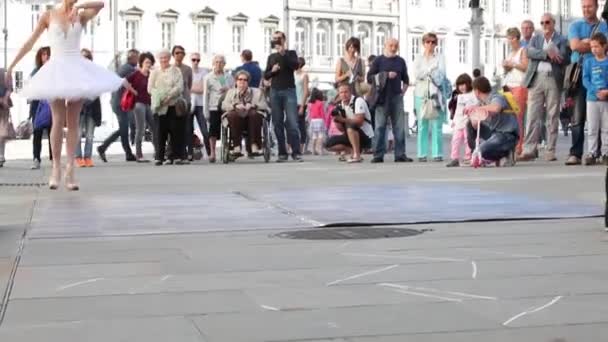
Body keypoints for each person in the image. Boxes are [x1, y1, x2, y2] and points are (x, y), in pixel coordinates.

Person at [8, 0, 131, 190]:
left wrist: (80, 6)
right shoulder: (49, 15)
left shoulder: (81, 14)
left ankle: (71, 168)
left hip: (76, 68)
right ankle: (56, 167)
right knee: (57, 119)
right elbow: (30, 41)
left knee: (73, 121)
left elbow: (101, 4)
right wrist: (12, 66)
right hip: (57, 68)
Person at [518, 15, 568, 162]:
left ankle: (550, 150)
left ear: (553, 23)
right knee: (533, 115)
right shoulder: (536, 38)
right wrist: (547, 54)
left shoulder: (562, 39)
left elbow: (563, 57)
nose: (544, 25)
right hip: (536, 78)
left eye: (547, 22)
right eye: (542, 22)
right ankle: (529, 150)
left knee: (552, 115)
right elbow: (529, 52)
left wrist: (548, 55)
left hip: (553, 77)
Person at [566, 0, 608, 165]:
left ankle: (599, 152)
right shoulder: (574, 25)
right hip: (580, 73)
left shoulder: (604, 26)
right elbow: (575, 46)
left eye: (589, 6)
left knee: (601, 118)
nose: (586, 9)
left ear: (597, 7)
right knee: (578, 116)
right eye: (583, 6)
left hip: (602, 74)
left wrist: (586, 43)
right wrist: (592, 45)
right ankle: (575, 153)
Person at [366, 38, 412, 163]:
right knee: (380, 127)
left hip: (396, 97)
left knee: (399, 127)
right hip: (382, 97)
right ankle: (378, 155)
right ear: (385, 45)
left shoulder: (401, 61)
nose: (393, 48)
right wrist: (385, 74)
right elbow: (369, 78)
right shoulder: (378, 61)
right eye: (391, 45)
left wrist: (403, 92)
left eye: (396, 45)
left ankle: (400, 154)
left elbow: (406, 79)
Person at [264, 30, 302, 162]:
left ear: (284, 40)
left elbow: (295, 66)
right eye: (274, 39)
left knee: (292, 122)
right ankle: (282, 152)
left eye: (278, 39)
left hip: (289, 90)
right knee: (277, 123)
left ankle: (296, 152)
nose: (276, 41)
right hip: (275, 91)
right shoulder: (271, 57)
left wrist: (283, 53)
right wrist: (272, 71)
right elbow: (266, 75)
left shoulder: (290, 53)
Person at [464, 77, 519, 166]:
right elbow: (474, 124)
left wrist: (476, 109)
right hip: (494, 133)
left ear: (477, 91)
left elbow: (496, 108)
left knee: (482, 150)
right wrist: (473, 116)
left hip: (507, 134)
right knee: (469, 125)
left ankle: (506, 154)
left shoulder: (497, 97)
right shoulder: (482, 102)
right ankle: (479, 155)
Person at [97, 48, 139, 163]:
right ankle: (105, 148)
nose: (138, 59)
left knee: (124, 128)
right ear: (132, 58)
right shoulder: (129, 69)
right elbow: (134, 83)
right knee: (124, 128)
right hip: (121, 103)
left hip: (118, 102)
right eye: (137, 57)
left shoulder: (124, 68)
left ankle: (126, 153)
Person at [414, 32, 448, 162]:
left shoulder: (440, 57)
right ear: (423, 43)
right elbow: (417, 74)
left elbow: (441, 74)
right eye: (428, 42)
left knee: (436, 124)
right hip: (421, 93)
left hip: (436, 94)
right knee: (422, 124)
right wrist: (430, 70)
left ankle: (437, 153)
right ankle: (422, 153)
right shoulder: (418, 58)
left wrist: (428, 72)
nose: (430, 44)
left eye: (433, 42)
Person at [148, 49, 184, 166]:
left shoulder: (176, 70)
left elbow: (179, 86)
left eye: (166, 58)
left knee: (175, 131)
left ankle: (176, 156)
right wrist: (159, 96)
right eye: (161, 58)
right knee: (159, 132)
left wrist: (169, 96)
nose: (163, 60)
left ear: (169, 59)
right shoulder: (154, 72)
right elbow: (150, 88)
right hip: (159, 106)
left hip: (172, 104)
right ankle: (159, 157)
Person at [221, 70, 267, 157]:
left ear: (248, 81)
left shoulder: (257, 92)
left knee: (254, 114)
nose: (242, 82)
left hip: (252, 119)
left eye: (245, 80)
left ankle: (254, 145)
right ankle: (236, 146)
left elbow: (264, 105)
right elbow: (224, 105)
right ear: (236, 81)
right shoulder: (230, 92)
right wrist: (235, 105)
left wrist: (253, 105)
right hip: (236, 120)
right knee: (232, 115)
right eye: (240, 79)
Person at [325, 83, 374, 163]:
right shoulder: (340, 105)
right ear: (339, 94)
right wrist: (336, 120)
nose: (344, 95)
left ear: (350, 92)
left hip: (365, 135)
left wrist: (342, 119)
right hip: (351, 134)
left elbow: (359, 121)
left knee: (351, 125)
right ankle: (353, 150)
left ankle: (357, 155)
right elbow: (341, 129)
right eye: (341, 92)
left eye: (346, 92)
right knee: (328, 144)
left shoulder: (358, 101)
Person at [502, 27, 529, 157]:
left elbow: (525, 67)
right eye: (508, 38)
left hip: (519, 85)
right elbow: (509, 69)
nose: (509, 41)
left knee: (518, 117)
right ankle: (509, 145)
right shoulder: (510, 53)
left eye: (511, 38)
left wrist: (512, 64)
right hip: (508, 85)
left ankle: (519, 145)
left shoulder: (523, 51)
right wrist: (506, 66)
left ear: (517, 38)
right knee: (508, 116)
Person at [582, 32, 608, 165]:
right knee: (592, 127)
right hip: (592, 99)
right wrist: (595, 91)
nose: (594, 49)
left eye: (597, 46)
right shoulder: (588, 62)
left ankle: (605, 153)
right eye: (592, 47)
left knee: (606, 127)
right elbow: (585, 79)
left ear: (604, 46)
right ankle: (592, 152)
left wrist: (606, 92)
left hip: (606, 100)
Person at [127, 51, 156, 163]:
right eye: (146, 62)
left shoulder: (151, 75)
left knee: (154, 127)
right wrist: (133, 91)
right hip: (139, 104)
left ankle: (157, 151)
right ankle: (139, 155)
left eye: (150, 62)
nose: (148, 64)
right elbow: (124, 81)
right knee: (141, 128)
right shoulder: (136, 74)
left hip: (148, 103)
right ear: (142, 63)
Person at [75, 48, 102, 167]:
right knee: (78, 134)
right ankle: (78, 157)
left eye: (87, 57)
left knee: (90, 135)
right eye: (82, 57)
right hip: (78, 107)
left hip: (92, 106)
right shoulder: (75, 73)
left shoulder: (95, 73)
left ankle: (88, 157)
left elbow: (98, 88)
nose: (84, 59)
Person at [204, 54, 234, 163]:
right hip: (214, 106)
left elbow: (235, 91)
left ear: (224, 64)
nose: (218, 64)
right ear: (213, 64)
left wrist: (228, 89)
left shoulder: (228, 77)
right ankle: (212, 152)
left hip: (227, 105)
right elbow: (205, 95)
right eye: (216, 62)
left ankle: (230, 150)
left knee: (231, 126)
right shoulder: (208, 77)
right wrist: (206, 112)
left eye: (221, 62)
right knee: (213, 129)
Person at [29, 46, 52, 170]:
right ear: (40, 57)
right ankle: (36, 158)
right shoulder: (36, 71)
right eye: (44, 54)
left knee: (52, 133)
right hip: (38, 106)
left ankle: (54, 158)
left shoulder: (55, 71)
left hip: (52, 105)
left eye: (48, 54)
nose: (46, 57)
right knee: (37, 133)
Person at [446, 73, 476, 167]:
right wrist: (454, 121)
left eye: (464, 84)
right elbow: (457, 110)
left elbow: (475, 107)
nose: (462, 87)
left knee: (468, 140)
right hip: (459, 122)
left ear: (468, 84)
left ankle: (468, 157)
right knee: (455, 140)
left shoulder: (473, 95)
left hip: (468, 122)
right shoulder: (459, 96)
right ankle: (454, 158)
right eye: (460, 85)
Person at [172, 45, 193, 161]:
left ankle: (185, 152)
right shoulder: (170, 68)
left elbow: (189, 85)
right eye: (177, 53)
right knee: (174, 128)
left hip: (185, 101)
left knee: (186, 128)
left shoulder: (187, 69)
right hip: (173, 102)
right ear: (173, 55)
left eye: (182, 53)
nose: (179, 55)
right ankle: (174, 152)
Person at [190, 52, 210, 158]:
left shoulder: (204, 72)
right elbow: (183, 86)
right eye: (193, 60)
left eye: (198, 60)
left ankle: (210, 152)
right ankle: (189, 153)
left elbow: (203, 88)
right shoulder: (188, 71)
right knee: (188, 130)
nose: (196, 62)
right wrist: (196, 87)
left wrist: (190, 87)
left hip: (201, 104)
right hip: (189, 104)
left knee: (205, 131)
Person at [295, 57, 309, 154]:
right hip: (292, 103)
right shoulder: (292, 74)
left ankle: (301, 146)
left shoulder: (304, 75)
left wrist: (302, 106)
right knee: (290, 124)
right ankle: (291, 146)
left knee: (300, 125)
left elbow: (305, 91)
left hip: (300, 102)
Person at [307, 88, 327, 155]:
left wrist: (309, 120)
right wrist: (325, 120)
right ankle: (320, 150)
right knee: (321, 135)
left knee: (314, 135)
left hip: (313, 120)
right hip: (320, 120)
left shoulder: (310, 104)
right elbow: (322, 113)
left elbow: (309, 113)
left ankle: (313, 150)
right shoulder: (320, 103)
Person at [0, 68, 13, 167]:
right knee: (2, 130)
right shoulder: (5, 72)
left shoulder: (5, 72)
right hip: (4, 105)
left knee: (2, 131)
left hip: (3, 106)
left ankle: (1, 155)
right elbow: (10, 89)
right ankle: (1, 155)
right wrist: (4, 99)